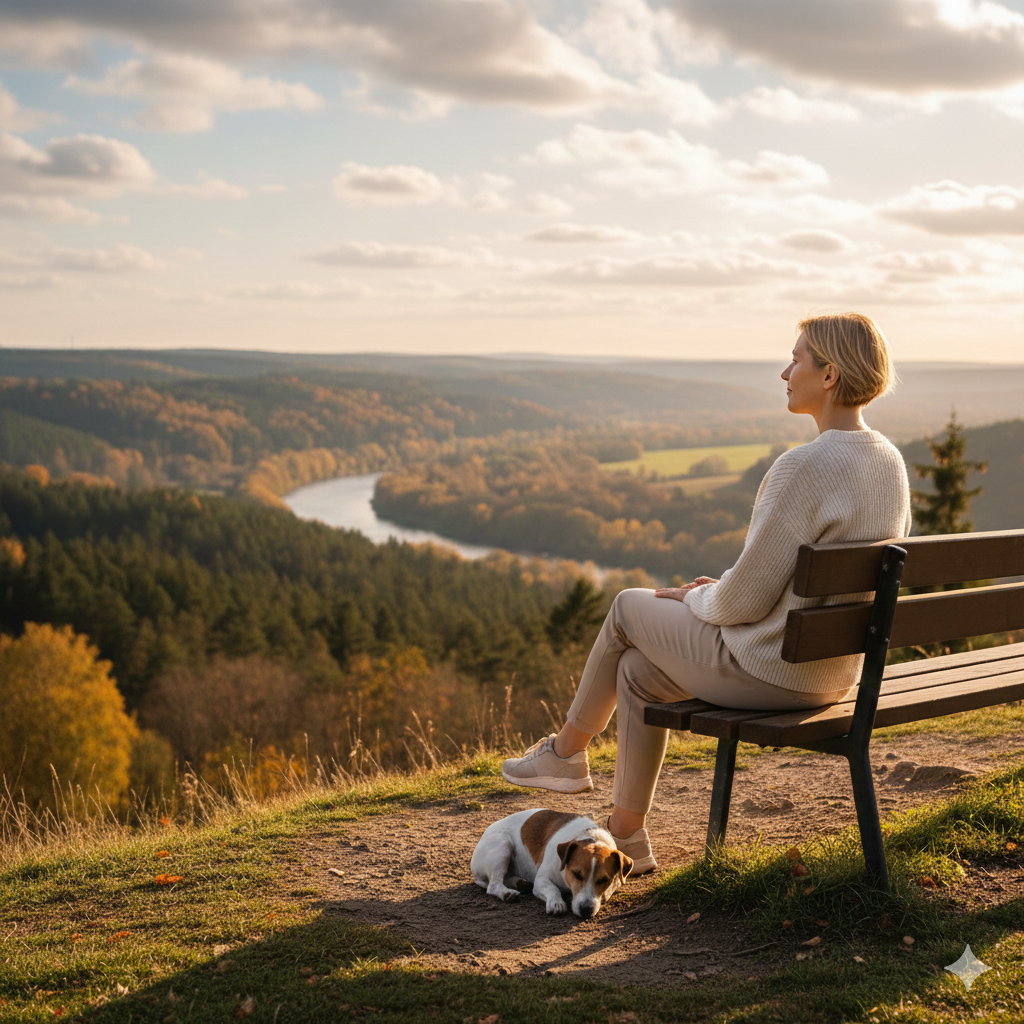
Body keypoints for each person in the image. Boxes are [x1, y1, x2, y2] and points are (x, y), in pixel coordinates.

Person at [501, 313, 912, 873]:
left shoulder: (803, 467)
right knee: (639, 672)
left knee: (626, 605)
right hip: (833, 676)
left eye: (797, 360)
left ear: (830, 375)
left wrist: (696, 596)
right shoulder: (889, 461)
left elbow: (741, 604)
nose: (785, 371)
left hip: (774, 671)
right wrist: (719, 593)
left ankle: (566, 753)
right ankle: (628, 835)